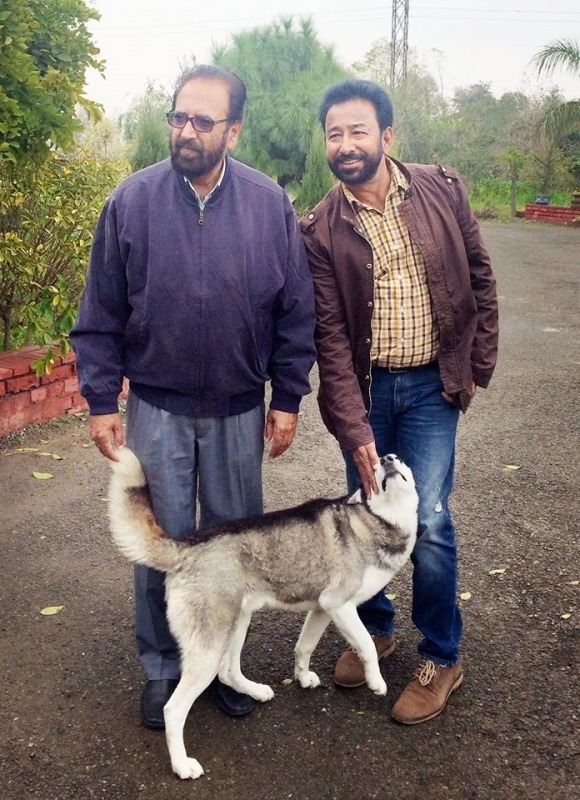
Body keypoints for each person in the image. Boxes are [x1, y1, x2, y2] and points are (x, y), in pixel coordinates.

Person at [71, 65, 316, 729]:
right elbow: (99, 313)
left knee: (239, 553)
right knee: (162, 546)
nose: (186, 130)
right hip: (158, 409)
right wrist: (99, 401)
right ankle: (162, 668)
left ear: (233, 130)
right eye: (179, 117)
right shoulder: (132, 200)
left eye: (203, 121)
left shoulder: (270, 206)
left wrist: (288, 396)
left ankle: (230, 668)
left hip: (240, 407)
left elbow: (296, 313)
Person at [300, 79, 498, 724]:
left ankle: (442, 655)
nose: (346, 144)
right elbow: (329, 336)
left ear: (387, 136)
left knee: (430, 520)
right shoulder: (321, 228)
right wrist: (353, 428)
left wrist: (477, 364)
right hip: (367, 389)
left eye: (359, 131)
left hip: (432, 384)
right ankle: (376, 629)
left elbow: (480, 275)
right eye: (335, 133)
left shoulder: (441, 188)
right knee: (363, 512)